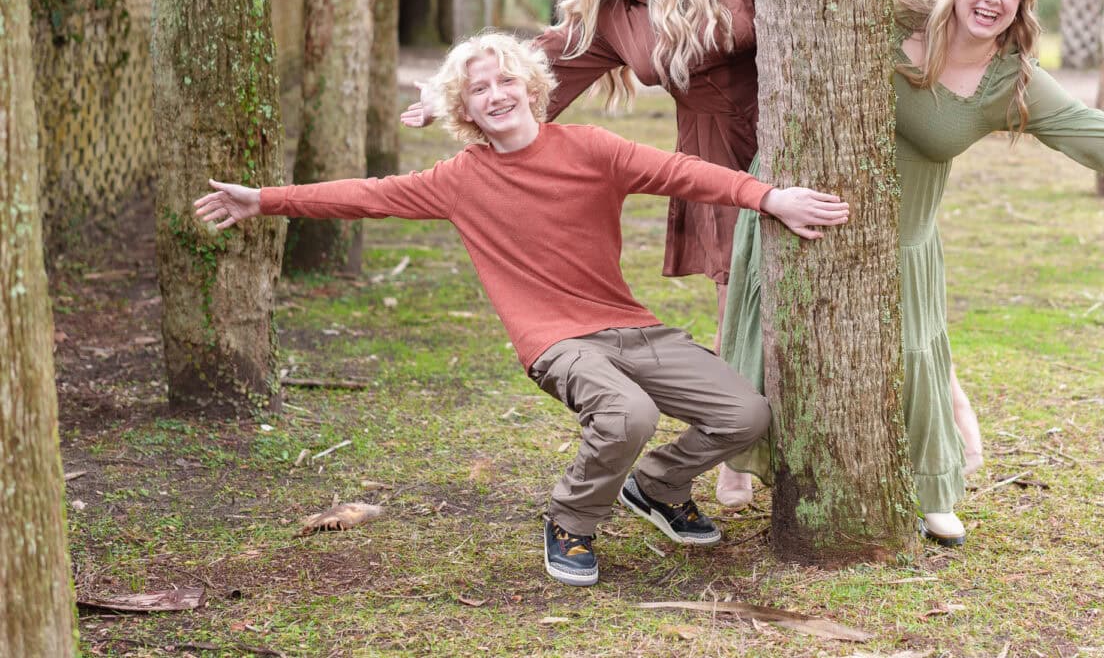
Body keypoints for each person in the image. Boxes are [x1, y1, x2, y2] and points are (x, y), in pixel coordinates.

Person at [402, 0, 989, 507]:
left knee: (870, 269)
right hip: (710, 148)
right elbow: (539, 65)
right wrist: (444, 98)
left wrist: (960, 19)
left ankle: (951, 402)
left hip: (791, 129)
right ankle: (735, 457)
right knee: (735, 297)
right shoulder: (612, 14)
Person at [198, 32, 849, 587]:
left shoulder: (592, 147)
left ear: (533, 89)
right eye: (479, 90)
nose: (496, 94)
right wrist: (263, 198)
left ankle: (656, 484)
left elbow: (684, 172)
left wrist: (769, 198)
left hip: (629, 323)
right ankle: (572, 521)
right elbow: (363, 195)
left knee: (746, 413)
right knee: (628, 413)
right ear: (466, 111)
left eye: (506, 80)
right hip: (554, 339)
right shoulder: (458, 179)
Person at [719, 0, 1104, 547]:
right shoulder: (890, 13)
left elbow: (1090, 130)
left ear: (1023, 3)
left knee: (913, 360)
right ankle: (741, 459)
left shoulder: (1009, 80)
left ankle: (930, 491)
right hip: (798, 211)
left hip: (903, 242)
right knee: (780, 340)